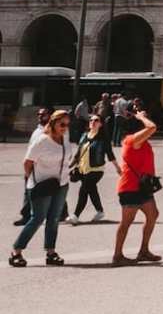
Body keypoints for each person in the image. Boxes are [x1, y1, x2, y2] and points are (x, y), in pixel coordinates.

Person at [10, 107, 70, 267]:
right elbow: (27, 162)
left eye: (67, 125)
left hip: (61, 184)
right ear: (54, 123)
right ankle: (16, 250)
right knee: (37, 218)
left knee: (54, 219)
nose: (65, 127)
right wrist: (33, 181)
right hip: (41, 185)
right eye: (62, 124)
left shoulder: (65, 138)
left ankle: (51, 252)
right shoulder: (42, 140)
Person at [112, 101, 161, 265]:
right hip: (130, 187)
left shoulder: (141, 141)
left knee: (153, 215)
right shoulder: (132, 140)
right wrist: (142, 117)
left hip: (142, 186)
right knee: (127, 221)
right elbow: (152, 127)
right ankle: (118, 255)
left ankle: (144, 251)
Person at [71, 111, 116, 222]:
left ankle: (75, 216)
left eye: (96, 120)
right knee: (91, 190)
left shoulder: (103, 138)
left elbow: (110, 154)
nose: (93, 122)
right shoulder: (84, 135)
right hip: (83, 168)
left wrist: (118, 168)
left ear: (101, 124)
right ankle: (100, 211)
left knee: (84, 191)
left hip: (96, 169)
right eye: (91, 120)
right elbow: (78, 153)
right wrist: (70, 165)